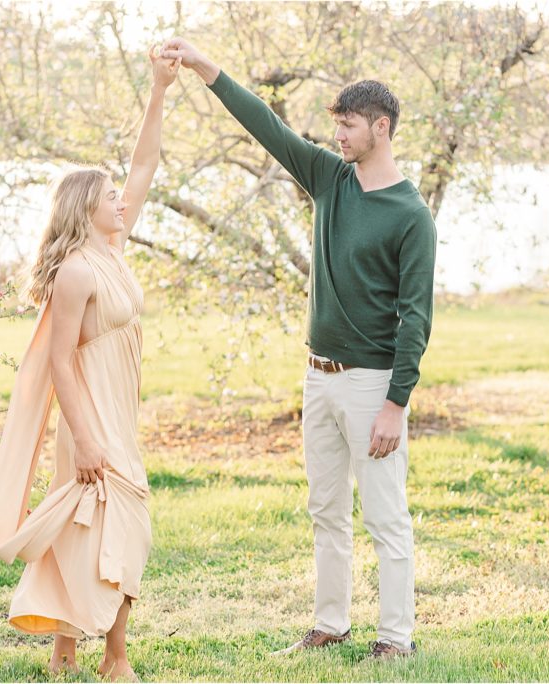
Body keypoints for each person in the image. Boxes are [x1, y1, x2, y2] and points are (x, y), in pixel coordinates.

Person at [160, 37, 436, 660]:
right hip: (318, 376)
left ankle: (395, 640)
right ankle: (330, 625)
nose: (338, 135)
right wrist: (207, 67)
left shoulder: (411, 215)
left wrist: (396, 403)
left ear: (381, 128)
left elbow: (416, 318)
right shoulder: (328, 177)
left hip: (372, 384)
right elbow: (268, 125)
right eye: (335, 125)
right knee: (326, 509)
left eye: (348, 125)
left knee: (385, 517)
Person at [0, 48, 179, 681]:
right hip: (90, 415)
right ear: (83, 207)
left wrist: (158, 89)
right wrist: (87, 435)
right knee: (121, 523)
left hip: (119, 410)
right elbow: (61, 360)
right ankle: (114, 659)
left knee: (87, 528)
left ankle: (65, 649)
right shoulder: (74, 272)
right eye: (109, 196)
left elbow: (145, 162)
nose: (121, 200)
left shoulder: (113, 248)